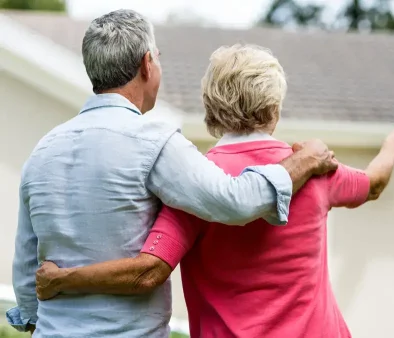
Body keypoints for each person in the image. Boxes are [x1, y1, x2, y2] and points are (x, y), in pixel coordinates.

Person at [35, 44, 394, 338]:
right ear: (275, 105)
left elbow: (147, 272)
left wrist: (62, 279)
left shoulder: (195, 182)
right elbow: (375, 183)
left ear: (211, 105)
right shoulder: (316, 168)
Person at [9, 11, 337, 338]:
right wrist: (303, 162)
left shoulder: (42, 151)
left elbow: (27, 273)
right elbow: (236, 201)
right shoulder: (155, 142)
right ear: (147, 64)